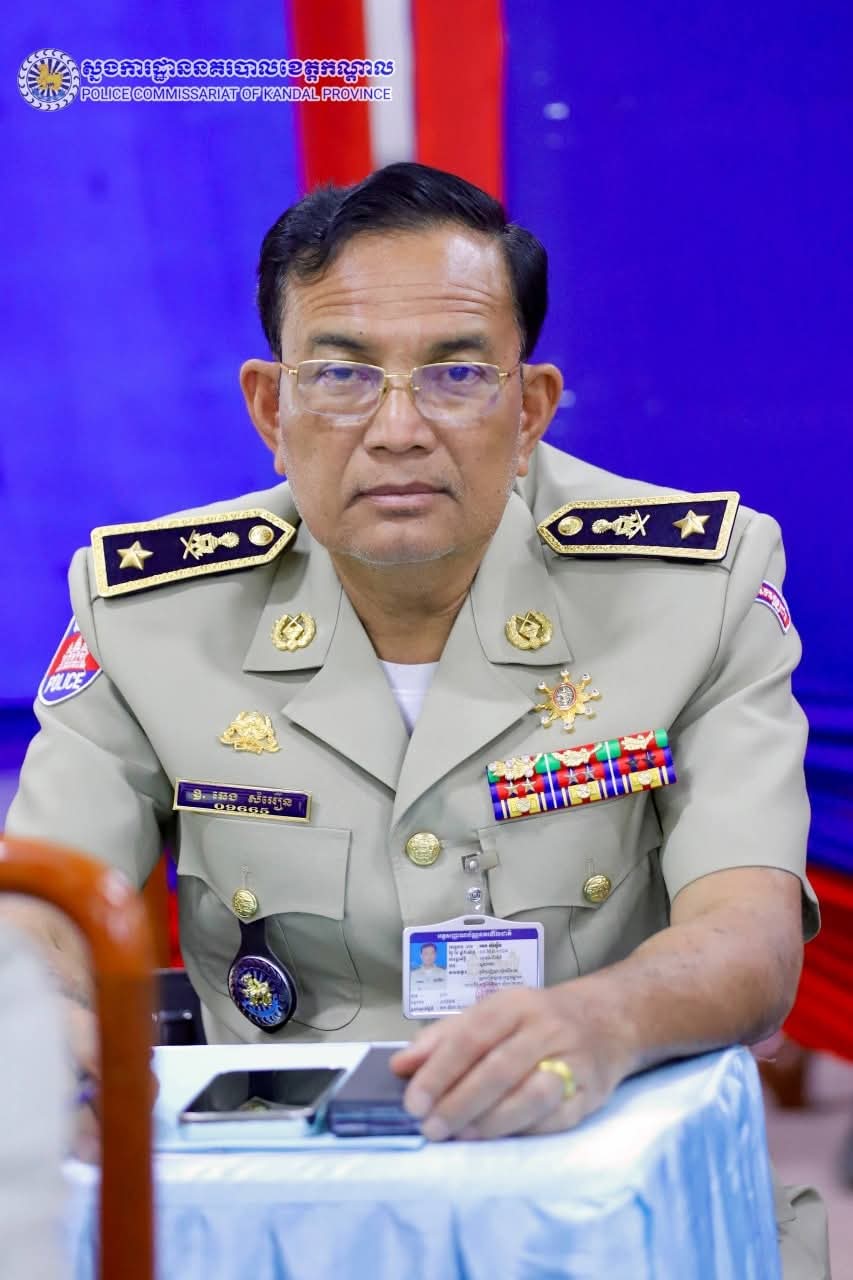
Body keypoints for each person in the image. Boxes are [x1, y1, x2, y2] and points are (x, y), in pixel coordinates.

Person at [4, 162, 829, 1274]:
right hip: (276, 1212)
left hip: (597, 1196)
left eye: (455, 373)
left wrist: (604, 1020)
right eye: (341, 374)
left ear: (529, 408)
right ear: (270, 408)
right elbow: (44, 909)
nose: (397, 428)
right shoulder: (150, 613)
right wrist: (45, 1026)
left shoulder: (696, 589)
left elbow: (748, 931)